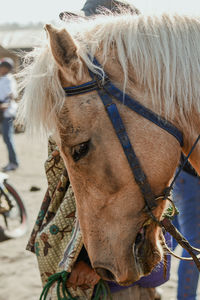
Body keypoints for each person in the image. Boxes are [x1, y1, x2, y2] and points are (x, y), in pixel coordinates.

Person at [26, 1, 170, 299]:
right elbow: (81, 189)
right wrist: (85, 260)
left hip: (118, 265)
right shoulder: (89, 102)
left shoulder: (134, 103)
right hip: (102, 270)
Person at [172, 156, 200, 300]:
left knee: (172, 237)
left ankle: (147, 282)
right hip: (191, 178)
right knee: (194, 245)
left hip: (185, 175)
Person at [0, 57, 19, 171]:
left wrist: (4, 105)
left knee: (8, 138)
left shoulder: (9, 79)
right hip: (1, 112)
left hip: (6, 112)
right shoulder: (1, 79)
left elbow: (11, 96)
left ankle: (13, 163)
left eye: (4, 67)